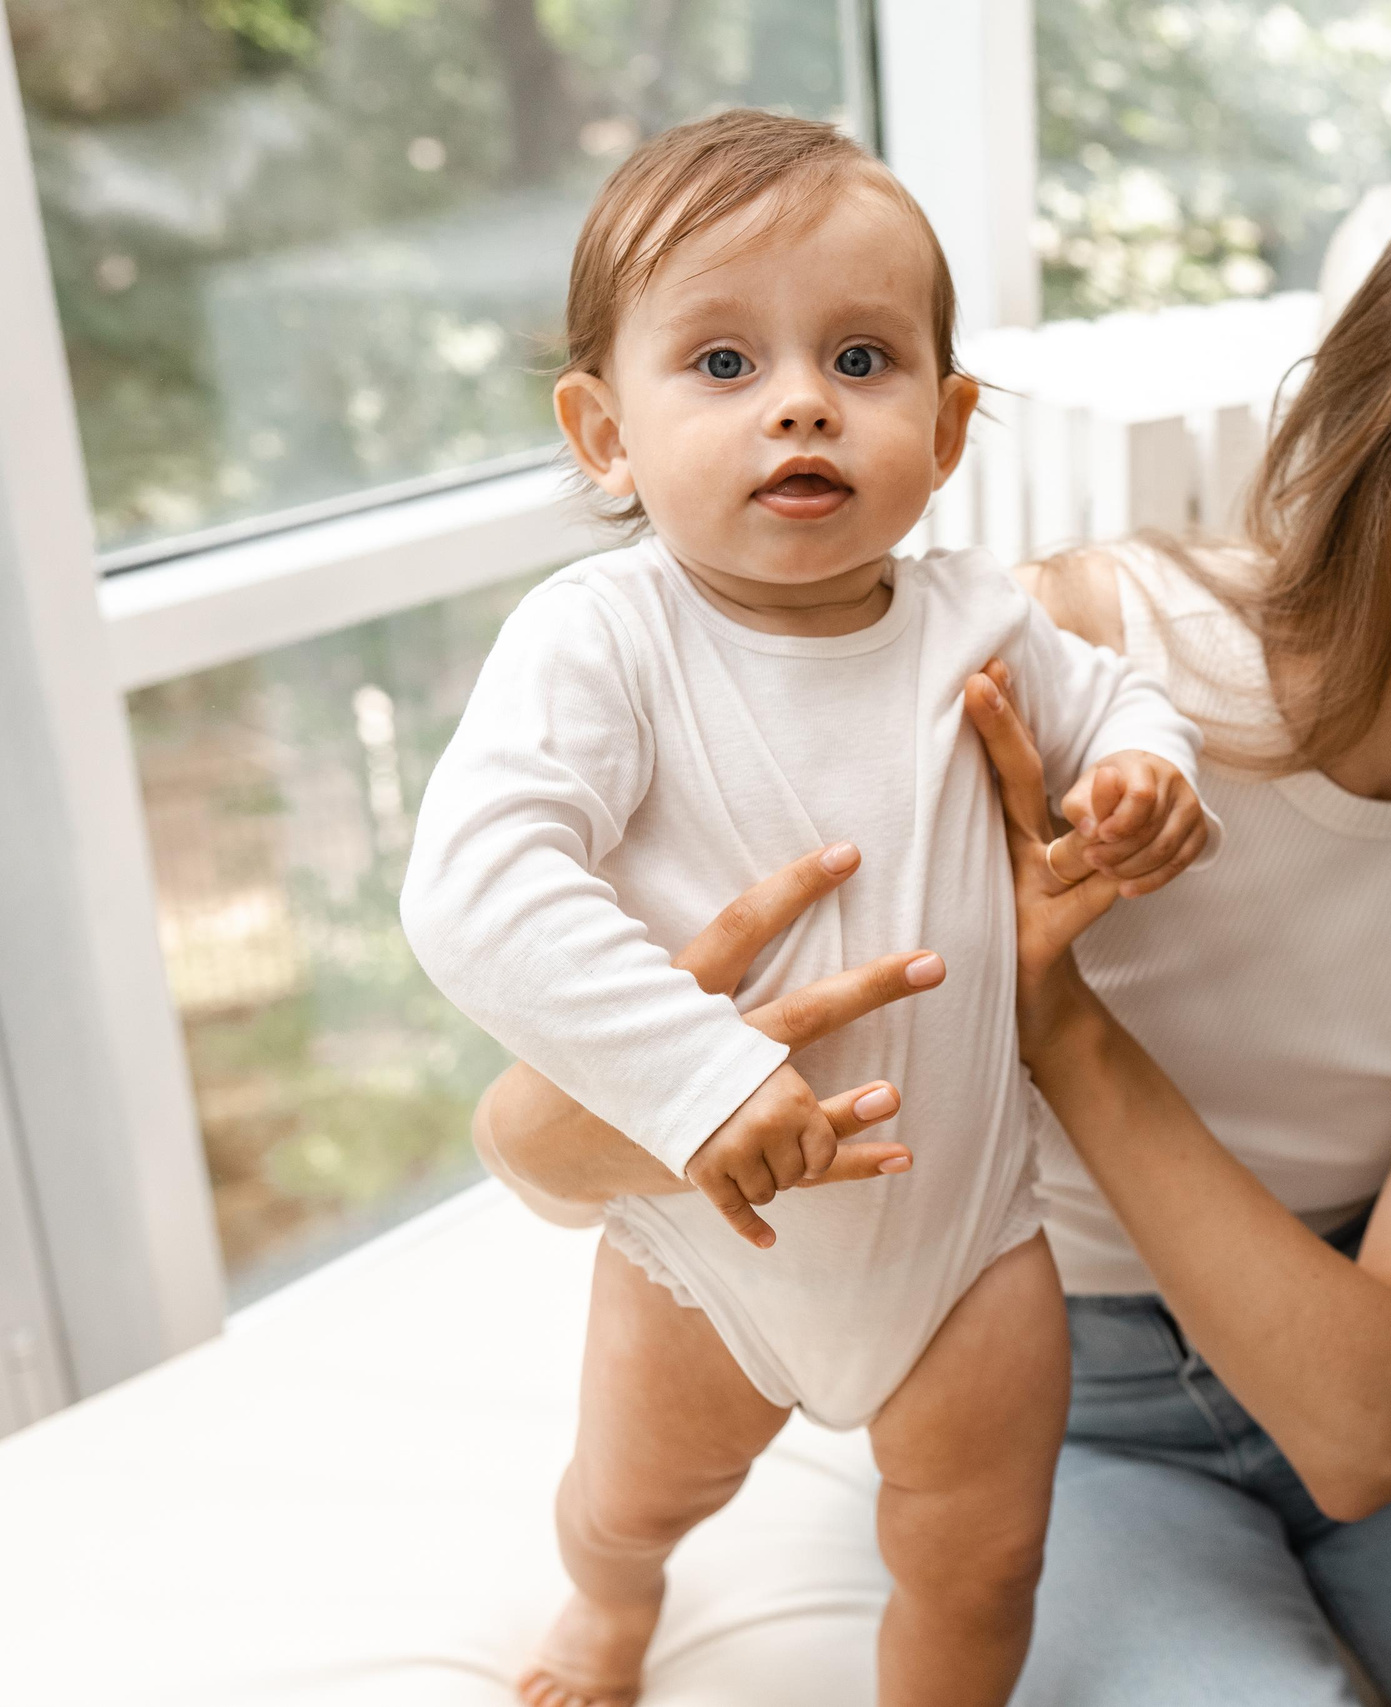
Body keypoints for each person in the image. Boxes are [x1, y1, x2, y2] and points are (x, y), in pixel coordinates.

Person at [472, 120, 1391, 1705]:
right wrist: (675, 1086)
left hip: (1377, 1367)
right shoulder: (1062, 661)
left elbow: (1374, 1416)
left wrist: (1061, 1022)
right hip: (1052, 1382)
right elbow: (532, 1141)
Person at [400, 111, 1215, 1707]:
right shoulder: (603, 641)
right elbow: (476, 892)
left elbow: (1118, 697)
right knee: (633, 1501)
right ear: (601, 434)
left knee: (982, 1561)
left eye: (860, 359)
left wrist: (1141, 768)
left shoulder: (977, 613)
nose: (798, 403)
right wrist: (703, 1081)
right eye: (720, 364)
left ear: (952, 421)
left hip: (965, 1239)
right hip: (712, 1245)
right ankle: (610, 1608)